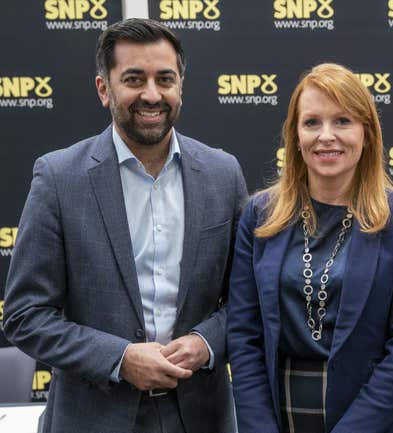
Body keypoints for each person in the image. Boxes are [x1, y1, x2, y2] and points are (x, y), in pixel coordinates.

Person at [2, 18, 247, 433]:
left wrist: (206, 343)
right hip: (92, 418)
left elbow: (249, 299)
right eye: (134, 79)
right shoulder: (59, 178)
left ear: (180, 87)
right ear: (104, 89)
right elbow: (25, 315)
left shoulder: (223, 174)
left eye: (164, 79)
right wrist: (120, 358)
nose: (152, 94)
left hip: (202, 417)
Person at [227, 63, 393, 433]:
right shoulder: (259, 216)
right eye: (312, 123)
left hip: (371, 423)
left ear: (367, 134)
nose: (326, 136)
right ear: (294, 135)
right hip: (279, 417)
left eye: (342, 121)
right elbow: (244, 338)